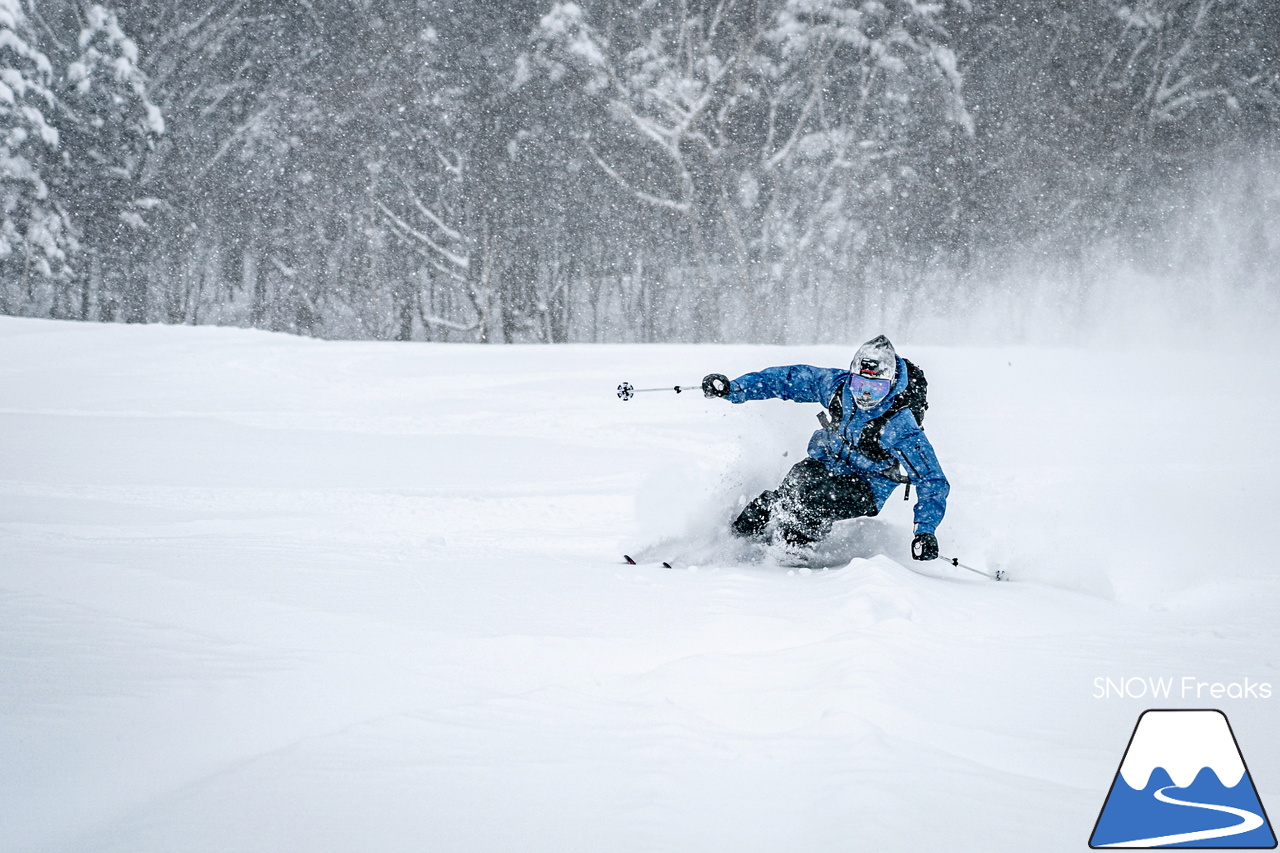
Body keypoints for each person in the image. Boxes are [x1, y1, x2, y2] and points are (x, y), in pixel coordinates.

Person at [701, 335, 947, 561]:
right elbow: (788, 379)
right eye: (860, 384)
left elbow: (931, 479)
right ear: (851, 376)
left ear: (891, 384)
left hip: (869, 484)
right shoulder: (838, 388)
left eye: (876, 388)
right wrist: (734, 388)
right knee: (791, 487)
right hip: (829, 461)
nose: (865, 395)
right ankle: (733, 542)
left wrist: (925, 531)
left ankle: (788, 556)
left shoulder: (900, 424)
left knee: (811, 503)